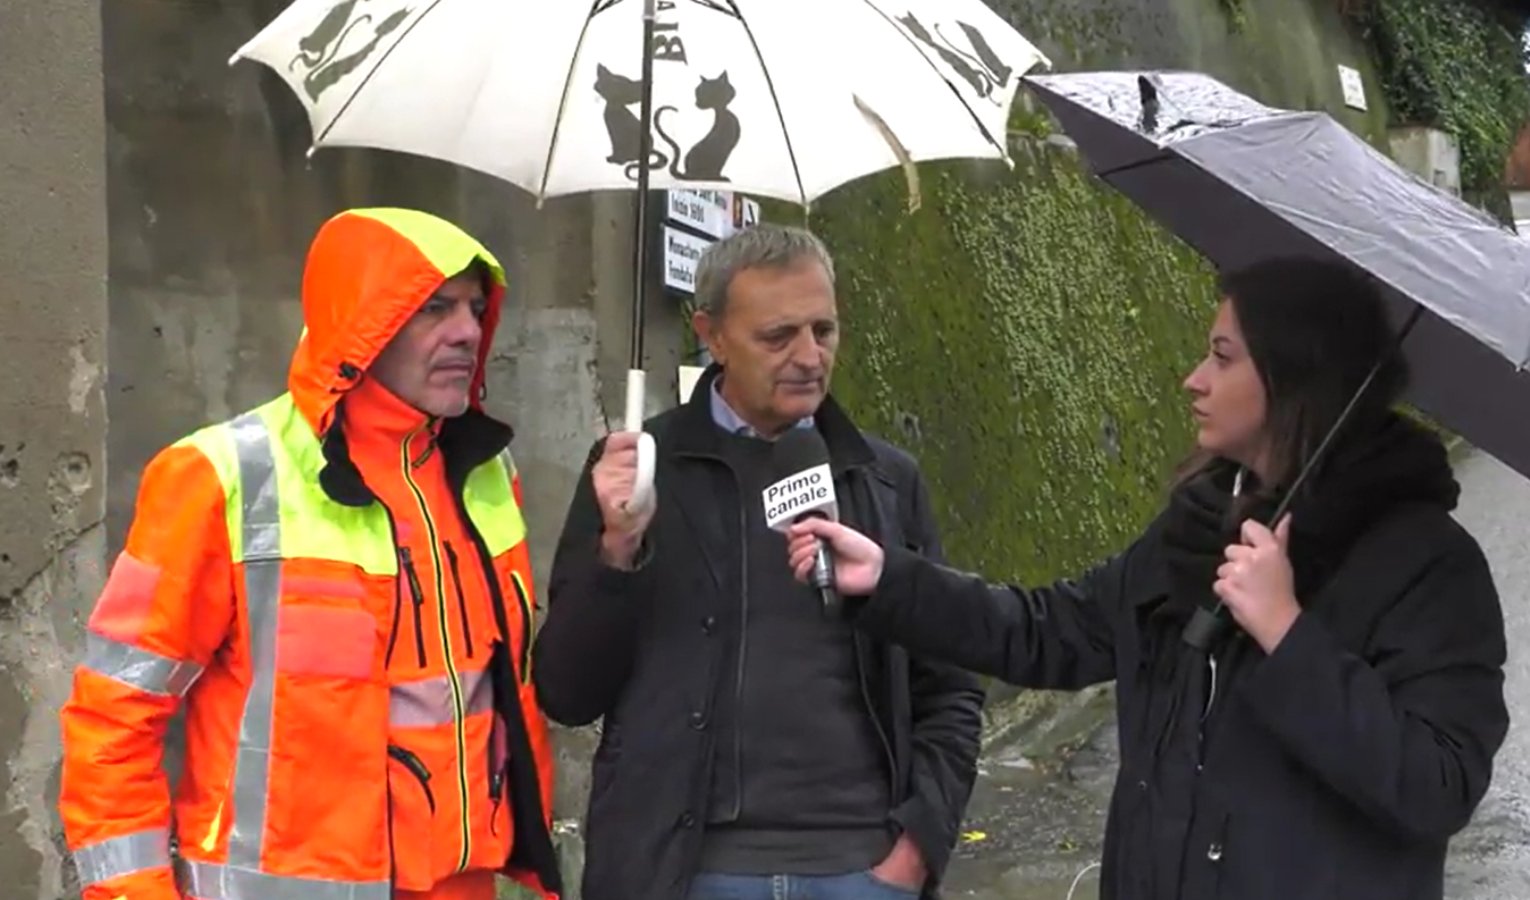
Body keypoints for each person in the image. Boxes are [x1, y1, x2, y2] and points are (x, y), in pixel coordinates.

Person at [785, 257, 1510, 900]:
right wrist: (889, 579)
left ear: (1294, 380)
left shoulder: (1428, 568)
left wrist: (1285, 632)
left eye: (1222, 358)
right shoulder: (1197, 529)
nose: (1193, 379)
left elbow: (1435, 788)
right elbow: (1052, 632)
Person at [57, 208, 562, 900]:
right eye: (435, 307)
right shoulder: (219, 475)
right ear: (364, 319)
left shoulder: (484, 477)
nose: (469, 332)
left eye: (476, 308)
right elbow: (115, 716)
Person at [532, 223, 985, 900]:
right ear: (710, 333)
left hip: (861, 870)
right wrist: (616, 552)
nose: (809, 357)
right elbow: (567, 693)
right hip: (683, 871)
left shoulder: (885, 480)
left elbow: (949, 686)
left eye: (823, 331)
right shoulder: (637, 476)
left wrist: (917, 845)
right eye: (778, 337)